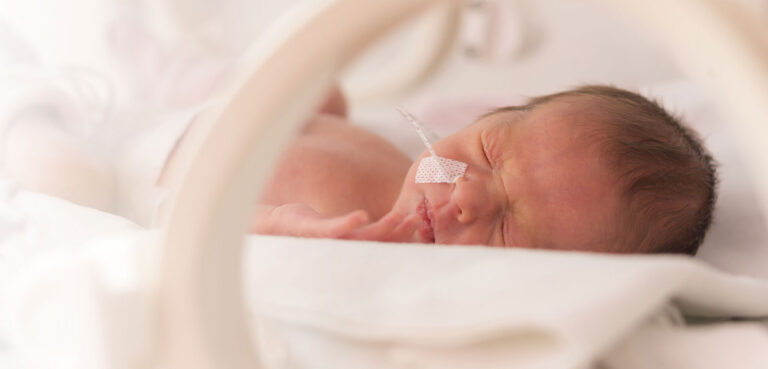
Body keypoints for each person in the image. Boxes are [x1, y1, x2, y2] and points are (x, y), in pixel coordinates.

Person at [158, 85, 717, 255]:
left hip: (154, 168)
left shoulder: (352, 235)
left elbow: (193, 223)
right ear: (484, 119)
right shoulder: (408, 162)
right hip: (196, 110)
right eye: (489, 154)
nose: (467, 193)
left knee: (65, 167)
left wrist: (284, 224)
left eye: (507, 228)